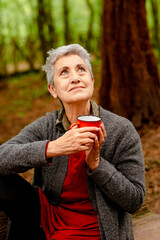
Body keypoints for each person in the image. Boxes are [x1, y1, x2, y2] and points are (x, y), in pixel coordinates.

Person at [0, 44, 145, 240]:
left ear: (91, 80)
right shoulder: (47, 126)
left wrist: (97, 165)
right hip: (50, 220)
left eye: (81, 70)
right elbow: (3, 155)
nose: (75, 77)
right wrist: (53, 147)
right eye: (64, 72)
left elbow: (135, 200)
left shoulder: (121, 129)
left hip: (99, 231)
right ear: (53, 89)